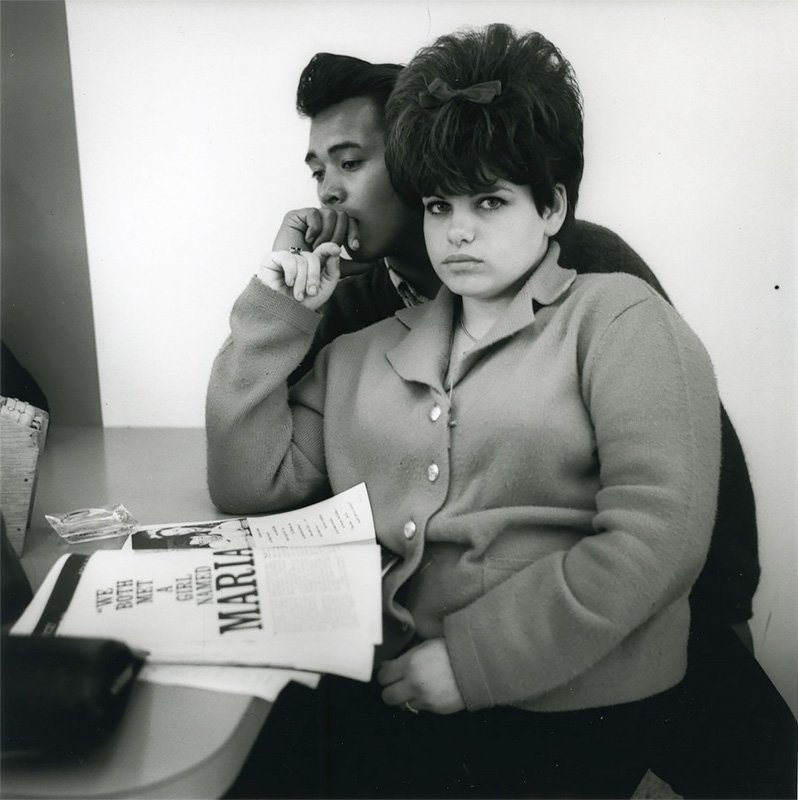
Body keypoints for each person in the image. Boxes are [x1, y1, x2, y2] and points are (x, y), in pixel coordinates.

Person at [208, 23, 727, 798]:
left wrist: (471, 662)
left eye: (488, 201)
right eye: (440, 204)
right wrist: (280, 306)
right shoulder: (362, 346)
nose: (457, 230)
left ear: (552, 207)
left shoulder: (616, 314)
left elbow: (662, 529)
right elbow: (250, 482)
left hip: (571, 696)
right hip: (404, 689)